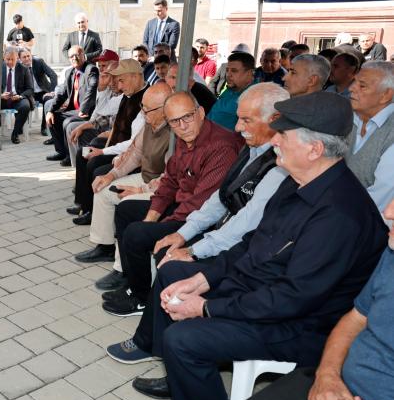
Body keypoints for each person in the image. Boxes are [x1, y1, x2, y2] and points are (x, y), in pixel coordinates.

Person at [108, 91, 388, 400]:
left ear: (315, 149)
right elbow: (253, 242)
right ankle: (183, 376)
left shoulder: (340, 215)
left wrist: (207, 307)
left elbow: (291, 299)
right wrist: (204, 278)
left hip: (302, 325)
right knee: (176, 275)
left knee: (184, 339)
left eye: (283, 135)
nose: (275, 142)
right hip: (266, 290)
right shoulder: (297, 182)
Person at [223, 199, 394, 400]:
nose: (388, 212)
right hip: (339, 387)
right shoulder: (391, 254)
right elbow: (355, 318)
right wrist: (327, 377)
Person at [99, 92, 243, 312]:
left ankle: (141, 299)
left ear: (200, 112)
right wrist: (152, 217)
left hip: (200, 218)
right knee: (126, 210)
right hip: (182, 206)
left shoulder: (221, 146)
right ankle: (133, 282)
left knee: (137, 234)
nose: (182, 126)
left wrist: (159, 224)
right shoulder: (186, 139)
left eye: (187, 117)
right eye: (175, 121)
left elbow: (200, 204)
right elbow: (169, 181)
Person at [152, 83, 290, 265]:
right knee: (165, 251)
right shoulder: (251, 149)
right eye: (238, 118)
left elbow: (248, 221)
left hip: (250, 250)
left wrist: (194, 250)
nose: (237, 127)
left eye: (246, 120)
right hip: (223, 231)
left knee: (170, 263)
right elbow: (221, 195)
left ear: (275, 119)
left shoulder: (282, 163)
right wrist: (182, 234)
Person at [74, 83, 172, 266]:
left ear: (165, 109)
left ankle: (122, 269)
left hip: (162, 188)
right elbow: (134, 154)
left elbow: (170, 178)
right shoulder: (150, 123)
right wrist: (111, 175)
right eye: (142, 107)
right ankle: (105, 247)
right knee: (103, 189)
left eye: (147, 109)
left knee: (126, 205)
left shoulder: (175, 133)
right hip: (146, 177)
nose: (142, 113)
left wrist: (140, 190)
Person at [70, 58, 146, 219]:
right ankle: (82, 204)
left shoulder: (147, 99)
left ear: (135, 76)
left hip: (128, 153)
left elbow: (135, 144)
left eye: (121, 80)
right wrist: (102, 87)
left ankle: (92, 212)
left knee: (95, 165)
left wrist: (103, 151)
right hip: (115, 145)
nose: (119, 86)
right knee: (83, 153)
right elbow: (105, 112)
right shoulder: (128, 94)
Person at [346, 61, 394, 213]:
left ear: (385, 95)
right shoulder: (351, 118)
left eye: (362, 86)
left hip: (364, 218)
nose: (351, 88)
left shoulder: (391, 133)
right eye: (354, 82)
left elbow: (378, 200)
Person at [65, 50, 120, 165]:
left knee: (83, 133)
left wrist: (102, 87)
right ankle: (78, 165)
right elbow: (99, 113)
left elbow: (104, 112)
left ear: (115, 66)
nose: (101, 69)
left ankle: (84, 164)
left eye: (104, 66)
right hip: (103, 124)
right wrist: (102, 88)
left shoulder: (119, 85)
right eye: (99, 66)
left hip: (113, 131)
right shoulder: (106, 82)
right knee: (73, 128)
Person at [46, 46, 99, 163]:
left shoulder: (91, 69)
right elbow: (62, 94)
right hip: (74, 110)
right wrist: (50, 111)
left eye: (77, 55)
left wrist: (84, 109)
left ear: (83, 55)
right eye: (71, 56)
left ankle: (70, 156)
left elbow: (92, 88)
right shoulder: (70, 72)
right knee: (53, 118)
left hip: (87, 111)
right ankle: (61, 152)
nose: (74, 58)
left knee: (67, 122)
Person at [0, 46, 34, 145]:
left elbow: (30, 89)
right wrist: (1, 95)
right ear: (4, 58)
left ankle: (15, 133)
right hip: (3, 98)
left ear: (17, 57)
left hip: (17, 98)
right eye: (8, 59)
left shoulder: (24, 69)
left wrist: (20, 96)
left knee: (25, 106)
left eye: (13, 59)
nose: (10, 62)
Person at [207, 51, 256, 130]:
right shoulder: (232, 89)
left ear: (250, 73)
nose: (228, 75)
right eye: (227, 70)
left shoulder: (255, 97)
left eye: (234, 71)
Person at [19, 46, 57, 136]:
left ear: (31, 55)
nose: (27, 59)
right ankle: (21, 126)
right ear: (20, 59)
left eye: (28, 56)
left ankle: (44, 127)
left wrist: (52, 91)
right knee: (22, 102)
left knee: (48, 101)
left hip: (42, 91)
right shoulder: (18, 67)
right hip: (28, 92)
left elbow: (53, 75)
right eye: (24, 57)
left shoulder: (39, 62)